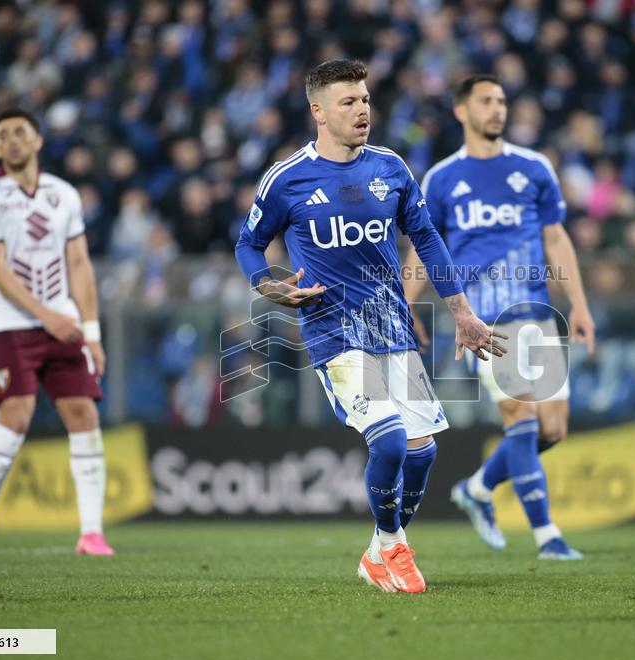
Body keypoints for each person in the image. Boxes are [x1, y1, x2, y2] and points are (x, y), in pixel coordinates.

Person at [234, 60, 505, 593]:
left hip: (393, 327)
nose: (362, 111)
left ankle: (378, 550)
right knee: (389, 444)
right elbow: (248, 244)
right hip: (333, 332)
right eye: (348, 103)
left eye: (364, 100)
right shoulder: (287, 179)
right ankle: (394, 547)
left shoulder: (391, 168)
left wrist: (462, 312)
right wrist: (270, 286)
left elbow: (426, 239)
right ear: (318, 112)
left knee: (424, 451)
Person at [404, 74, 596, 560]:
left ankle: (477, 489)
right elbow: (427, 247)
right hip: (484, 320)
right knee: (522, 415)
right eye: (486, 101)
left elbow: (556, 238)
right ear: (461, 111)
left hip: (538, 313)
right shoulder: (443, 178)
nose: (498, 109)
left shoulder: (533, 168)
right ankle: (548, 536)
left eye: (502, 101)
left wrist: (579, 304)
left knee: (552, 429)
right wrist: (407, 302)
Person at [0, 108, 113, 557]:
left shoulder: (62, 194)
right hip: (10, 324)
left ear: (38, 141)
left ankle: (91, 533)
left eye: (20, 132)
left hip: (63, 324)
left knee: (85, 416)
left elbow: (80, 265)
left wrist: (92, 332)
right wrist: (47, 317)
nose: (11, 140)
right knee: (15, 418)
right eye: (2, 135)